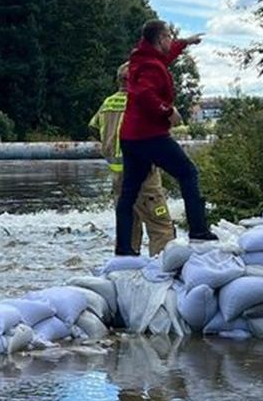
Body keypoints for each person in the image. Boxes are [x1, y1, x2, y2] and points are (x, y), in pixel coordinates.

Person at [114, 20, 217, 256]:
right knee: (188, 173)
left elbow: (166, 56)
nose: (171, 40)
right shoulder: (150, 66)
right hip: (149, 135)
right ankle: (198, 230)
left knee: (129, 193)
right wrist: (168, 111)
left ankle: (123, 248)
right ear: (160, 38)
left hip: (130, 137)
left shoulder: (143, 58)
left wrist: (186, 43)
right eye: (169, 36)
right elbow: (144, 95)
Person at [90, 62, 176, 256]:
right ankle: (163, 272)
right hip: (144, 175)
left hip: (119, 176)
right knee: (161, 228)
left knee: (128, 227)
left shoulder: (108, 103)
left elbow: (94, 127)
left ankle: (126, 271)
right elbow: (170, 123)